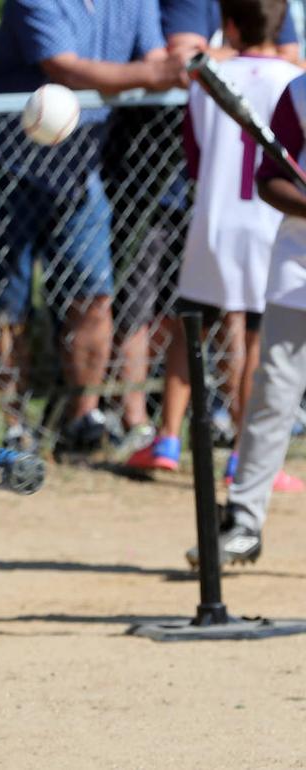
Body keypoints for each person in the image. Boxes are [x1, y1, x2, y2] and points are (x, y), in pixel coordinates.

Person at [0, 0, 187, 459]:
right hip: (12, 164)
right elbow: (64, 68)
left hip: (78, 166)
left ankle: (83, 419)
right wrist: (155, 74)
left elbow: (154, 57)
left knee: (94, 296)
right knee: (10, 305)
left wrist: (165, 67)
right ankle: (15, 426)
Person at [128, 0, 303, 489]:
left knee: (193, 327)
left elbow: (195, 155)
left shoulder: (209, 79)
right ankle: (244, 455)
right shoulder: (293, 80)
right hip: (268, 222)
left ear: (228, 26)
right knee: (254, 340)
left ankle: (167, 438)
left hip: (214, 218)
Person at [185, 73, 306, 567]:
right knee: (273, 392)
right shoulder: (299, 93)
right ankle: (243, 521)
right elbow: (270, 179)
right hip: (299, 268)